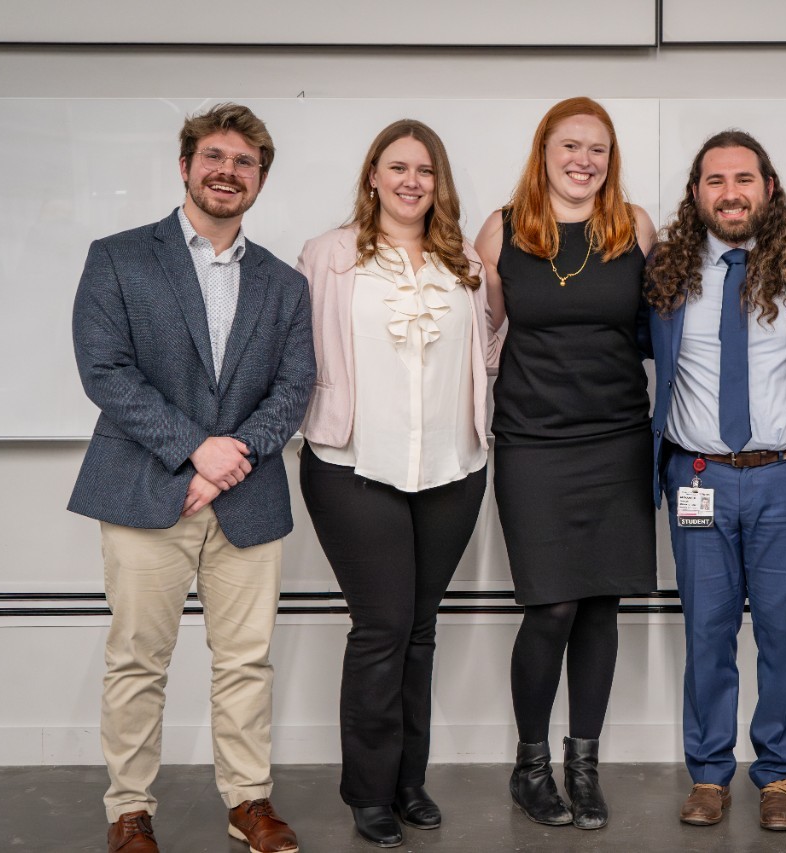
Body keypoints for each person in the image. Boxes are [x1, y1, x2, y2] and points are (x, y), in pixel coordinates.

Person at [69, 103, 314, 853]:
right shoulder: (117, 257)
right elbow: (105, 371)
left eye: (244, 163)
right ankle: (130, 809)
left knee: (246, 660)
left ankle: (248, 801)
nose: (227, 172)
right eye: (214, 156)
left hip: (247, 497)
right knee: (138, 658)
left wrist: (231, 453)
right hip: (145, 490)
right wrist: (193, 450)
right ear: (185, 166)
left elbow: (294, 386)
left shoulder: (285, 281)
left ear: (260, 180)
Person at [296, 119, 500, 848]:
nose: (412, 180)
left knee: (419, 629)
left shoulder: (465, 264)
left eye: (425, 169)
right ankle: (368, 789)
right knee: (382, 628)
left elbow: (490, 343)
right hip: (354, 467)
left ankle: (411, 780)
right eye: (398, 167)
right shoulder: (329, 256)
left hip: (452, 468)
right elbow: (297, 347)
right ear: (373, 176)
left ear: (438, 182)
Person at [473, 96, 657, 831]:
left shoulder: (635, 226)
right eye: (571, 146)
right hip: (533, 443)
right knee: (550, 606)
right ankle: (530, 765)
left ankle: (584, 765)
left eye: (599, 150)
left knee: (602, 604)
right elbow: (479, 337)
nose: (584, 161)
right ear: (543, 150)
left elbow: (660, 329)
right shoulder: (502, 229)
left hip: (617, 439)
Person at [644, 130, 786, 832]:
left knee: (784, 635)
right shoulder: (666, 266)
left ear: (768, 188)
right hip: (698, 478)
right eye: (715, 180)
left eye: (744, 178)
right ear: (696, 193)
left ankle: (778, 775)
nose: (731, 192)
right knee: (708, 632)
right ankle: (709, 773)